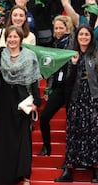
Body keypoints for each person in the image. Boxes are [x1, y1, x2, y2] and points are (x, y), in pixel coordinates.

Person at [0, 26, 42, 185]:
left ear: (20, 38)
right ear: (6, 38)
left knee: (22, 139)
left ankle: (22, 176)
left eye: (15, 37)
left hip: (22, 101)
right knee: (1, 138)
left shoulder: (29, 56)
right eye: (9, 37)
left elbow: (34, 80)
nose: (12, 40)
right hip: (2, 100)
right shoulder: (1, 53)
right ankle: (2, 175)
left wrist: (36, 101)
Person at [54, 25, 98, 183]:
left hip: (94, 98)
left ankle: (96, 170)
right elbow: (67, 81)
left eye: (87, 34)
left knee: (96, 134)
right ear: (76, 37)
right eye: (81, 34)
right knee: (73, 133)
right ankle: (69, 171)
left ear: (91, 37)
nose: (84, 37)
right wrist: (72, 64)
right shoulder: (72, 54)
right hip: (76, 98)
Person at [38, 15, 74, 156]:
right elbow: (52, 69)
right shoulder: (54, 44)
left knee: (71, 122)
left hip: (71, 87)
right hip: (58, 87)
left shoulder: (72, 42)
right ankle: (47, 147)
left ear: (67, 28)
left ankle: (71, 153)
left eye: (61, 28)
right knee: (45, 117)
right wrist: (48, 88)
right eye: (56, 28)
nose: (58, 31)